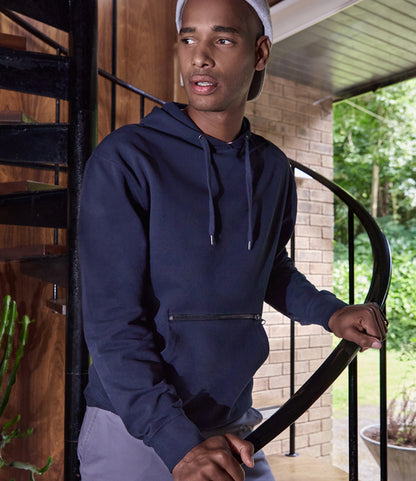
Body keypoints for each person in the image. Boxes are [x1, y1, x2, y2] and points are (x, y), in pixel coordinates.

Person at [77, 0, 387, 480]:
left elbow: (270, 269)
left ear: (260, 53)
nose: (199, 57)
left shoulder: (272, 168)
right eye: (188, 38)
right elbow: (111, 322)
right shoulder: (127, 158)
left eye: (222, 39)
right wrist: (176, 443)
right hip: (138, 431)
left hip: (233, 425)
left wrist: (331, 312)